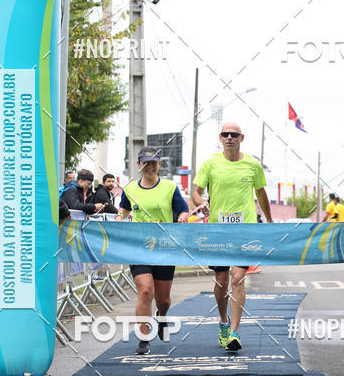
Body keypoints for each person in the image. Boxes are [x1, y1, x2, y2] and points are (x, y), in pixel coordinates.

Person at [192, 122, 272, 352]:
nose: (229, 137)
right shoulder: (210, 164)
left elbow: (261, 193)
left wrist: (269, 220)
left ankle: (234, 333)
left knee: (237, 277)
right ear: (220, 137)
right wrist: (201, 203)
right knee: (222, 280)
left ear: (241, 138)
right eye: (225, 134)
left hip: (244, 230)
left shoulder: (252, 165)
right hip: (217, 230)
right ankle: (223, 322)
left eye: (234, 134)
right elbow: (195, 194)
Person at [115, 147, 188, 355]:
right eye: (145, 163)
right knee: (145, 291)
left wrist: (182, 216)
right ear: (139, 165)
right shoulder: (130, 189)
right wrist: (120, 217)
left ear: (160, 165)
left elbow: (182, 209)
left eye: (153, 163)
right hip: (139, 247)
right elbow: (124, 208)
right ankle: (144, 338)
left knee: (163, 300)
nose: (150, 166)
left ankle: (162, 316)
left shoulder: (169, 188)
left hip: (164, 248)